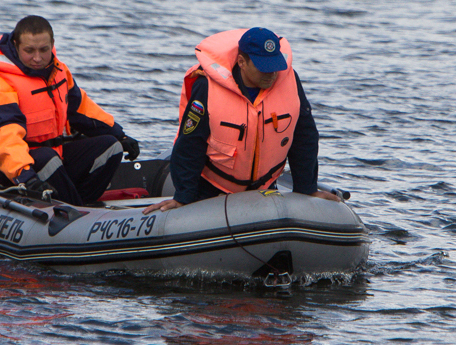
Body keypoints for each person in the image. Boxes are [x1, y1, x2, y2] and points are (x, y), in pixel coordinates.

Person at [144, 27, 340, 213]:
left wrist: (306, 189)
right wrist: (183, 197)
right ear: (241, 62)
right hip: (211, 188)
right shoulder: (207, 86)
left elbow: (305, 137)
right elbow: (190, 144)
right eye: (263, 68)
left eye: (274, 66)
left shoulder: (289, 82)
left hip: (264, 188)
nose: (271, 74)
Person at [0, 15, 139, 205]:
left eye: (43, 50)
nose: (37, 58)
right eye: (29, 51)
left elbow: (82, 109)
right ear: (16, 45)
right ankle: (74, 211)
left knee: (110, 146)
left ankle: (81, 206)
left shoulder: (58, 72)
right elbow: (4, 140)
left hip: (47, 157)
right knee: (47, 158)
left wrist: (119, 135)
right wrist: (26, 176)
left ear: (52, 44)